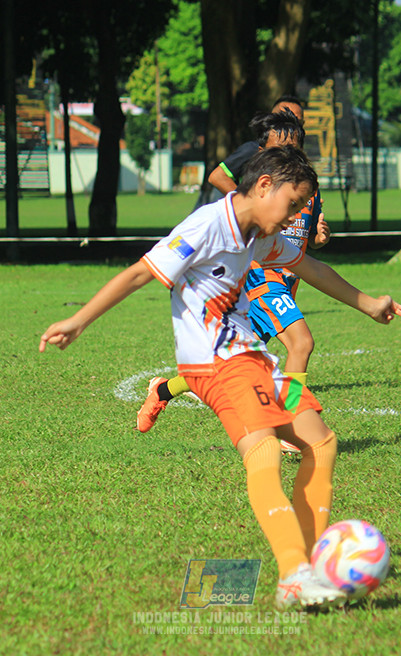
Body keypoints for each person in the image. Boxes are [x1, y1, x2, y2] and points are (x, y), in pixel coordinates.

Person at [39, 146, 401, 610]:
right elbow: (138, 275)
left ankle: (312, 561)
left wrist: (369, 303)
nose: (294, 217)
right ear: (265, 185)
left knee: (321, 442)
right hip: (213, 363)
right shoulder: (208, 225)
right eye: (292, 204)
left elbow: (309, 266)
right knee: (265, 449)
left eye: (301, 209)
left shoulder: (260, 236)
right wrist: (78, 320)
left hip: (250, 356)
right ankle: (294, 575)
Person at [137, 107, 331, 448]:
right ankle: (291, 422)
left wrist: (318, 234)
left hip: (287, 277)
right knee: (302, 343)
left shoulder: (306, 189)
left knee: (224, 363)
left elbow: (308, 240)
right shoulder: (259, 185)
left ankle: (163, 389)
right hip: (261, 276)